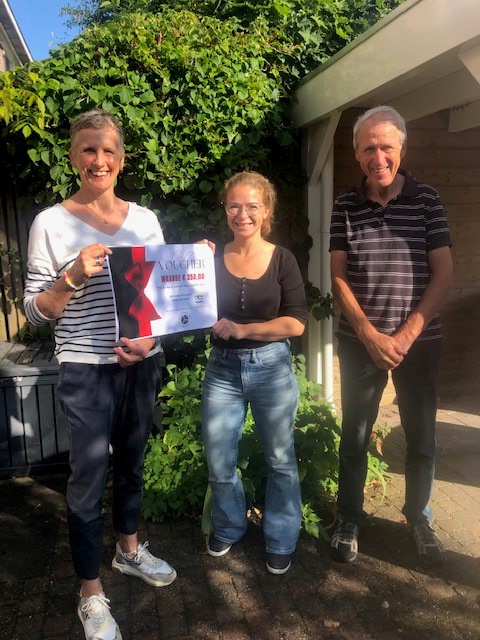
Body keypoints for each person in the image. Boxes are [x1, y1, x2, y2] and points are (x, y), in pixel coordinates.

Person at [23, 109, 177, 640]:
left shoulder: (145, 220)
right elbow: (35, 311)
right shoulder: (49, 223)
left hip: (141, 363)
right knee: (88, 477)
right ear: (73, 157)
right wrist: (70, 277)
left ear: (122, 159)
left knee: (132, 462)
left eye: (108, 150)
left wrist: (150, 340)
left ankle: (128, 551)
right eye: (88, 149)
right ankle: (90, 592)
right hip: (86, 369)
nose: (99, 160)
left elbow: (165, 297)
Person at [329, 105, 453, 566]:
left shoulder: (427, 200)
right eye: (368, 148)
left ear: (401, 148)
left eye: (386, 146)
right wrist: (368, 335)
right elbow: (338, 276)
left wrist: (405, 336)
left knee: (421, 436)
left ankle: (419, 516)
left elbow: (444, 273)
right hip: (359, 343)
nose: (377, 157)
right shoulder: (345, 204)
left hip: (419, 344)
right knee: (355, 435)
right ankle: (349, 517)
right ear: (356, 153)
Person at [201, 171, 308, 575]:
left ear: (266, 210)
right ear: (225, 209)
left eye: (251, 206)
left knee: (280, 458)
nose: (242, 214)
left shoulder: (283, 259)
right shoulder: (210, 259)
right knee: (218, 459)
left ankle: (281, 537)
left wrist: (245, 330)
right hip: (222, 370)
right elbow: (182, 304)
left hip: (271, 368)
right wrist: (191, 263)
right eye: (234, 205)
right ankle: (230, 524)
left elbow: (296, 322)